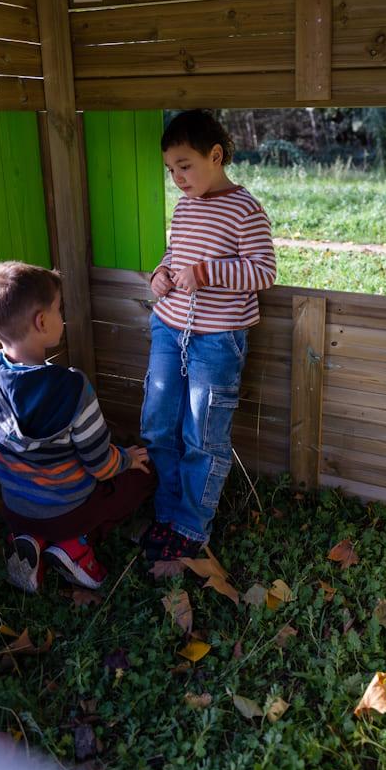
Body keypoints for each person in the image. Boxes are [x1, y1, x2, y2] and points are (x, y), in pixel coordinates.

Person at [0, 262, 152, 593]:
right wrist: (127, 459)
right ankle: (74, 547)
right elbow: (100, 465)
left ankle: (27, 538)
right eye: (58, 308)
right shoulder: (73, 389)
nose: (61, 314)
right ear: (41, 322)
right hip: (70, 513)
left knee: (41, 511)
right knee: (139, 479)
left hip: (17, 508)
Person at [140, 110, 276, 566]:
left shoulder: (245, 210)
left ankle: (190, 525)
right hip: (168, 329)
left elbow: (264, 271)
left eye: (185, 165)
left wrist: (207, 273)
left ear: (215, 156)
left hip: (217, 341)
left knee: (201, 434)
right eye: (171, 170)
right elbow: (175, 253)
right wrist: (161, 274)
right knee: (158, 424)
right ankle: (166, 510)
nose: (177, 178)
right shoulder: (184, 206)